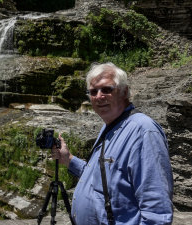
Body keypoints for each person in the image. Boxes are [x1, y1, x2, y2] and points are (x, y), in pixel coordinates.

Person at [52, 62, 174, 225]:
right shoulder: (110, 126)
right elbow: (102, 179)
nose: (99, 96)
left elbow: (157, 213)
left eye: (107, 89)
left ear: (124, 92)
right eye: (93, 91)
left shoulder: (143, 131)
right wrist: (69, 159)